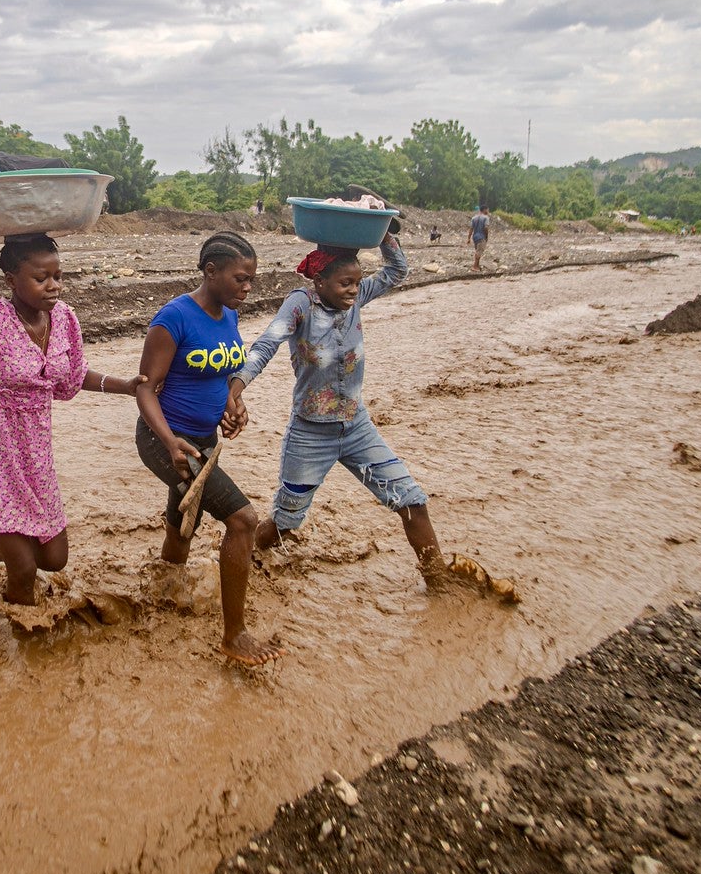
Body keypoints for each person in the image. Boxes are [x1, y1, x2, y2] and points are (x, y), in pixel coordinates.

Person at [228, 229, 478, 637]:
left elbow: (398, 269)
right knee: (287, 521)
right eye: (344, 283)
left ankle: (438, 580)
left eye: (357, 283)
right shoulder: (300, 305)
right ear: (319, 282)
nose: (352, 291)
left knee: (411, 500)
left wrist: (387, 231)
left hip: (356, 427)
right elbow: (267, 343)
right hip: (310, 433)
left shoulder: (357, 297)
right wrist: (236, 387)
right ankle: (250, 557)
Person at [0, 176, 143, 606]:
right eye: (41, 278)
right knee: (26, 569)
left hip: (36, 455)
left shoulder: (65, 320)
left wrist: (125, 386)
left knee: (54, 558)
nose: (53, 286)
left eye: (58, 276)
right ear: (11, 278)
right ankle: (18, 642)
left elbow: (72, 377)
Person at [134, 231, 279, 665]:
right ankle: (233, 637)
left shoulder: (228, 316)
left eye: (251, 279)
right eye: (241, 278)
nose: (248, 288)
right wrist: (168, 440)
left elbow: (221, 373)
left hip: (204, 440)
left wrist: (233, 405)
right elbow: (145, 390)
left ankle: (164, 593)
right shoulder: (173, 318)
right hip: (166, 440)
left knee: (185, 522)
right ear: (210, 272)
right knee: (243, 520)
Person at [469, 206, 489, 271]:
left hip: (475, 237)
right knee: (479, 252)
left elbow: (471, 228)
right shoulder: (486, 218)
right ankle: (474, 266)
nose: (488, 211)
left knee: (477, 251)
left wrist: (468, 238)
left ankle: (477, 266)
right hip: (481, 236)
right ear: (484, 210)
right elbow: (486, 228)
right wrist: (486, 236)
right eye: (487, 210)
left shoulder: (474, 218)